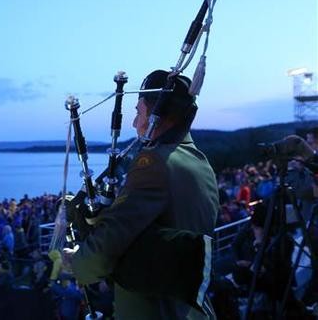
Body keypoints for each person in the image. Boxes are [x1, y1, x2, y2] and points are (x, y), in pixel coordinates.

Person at [66, 70, 219, 319]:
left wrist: (78, 263)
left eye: (139, 112)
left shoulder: (154, 162)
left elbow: (112, 238)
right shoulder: (200, 162)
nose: (134, 123)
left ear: (158, 117)